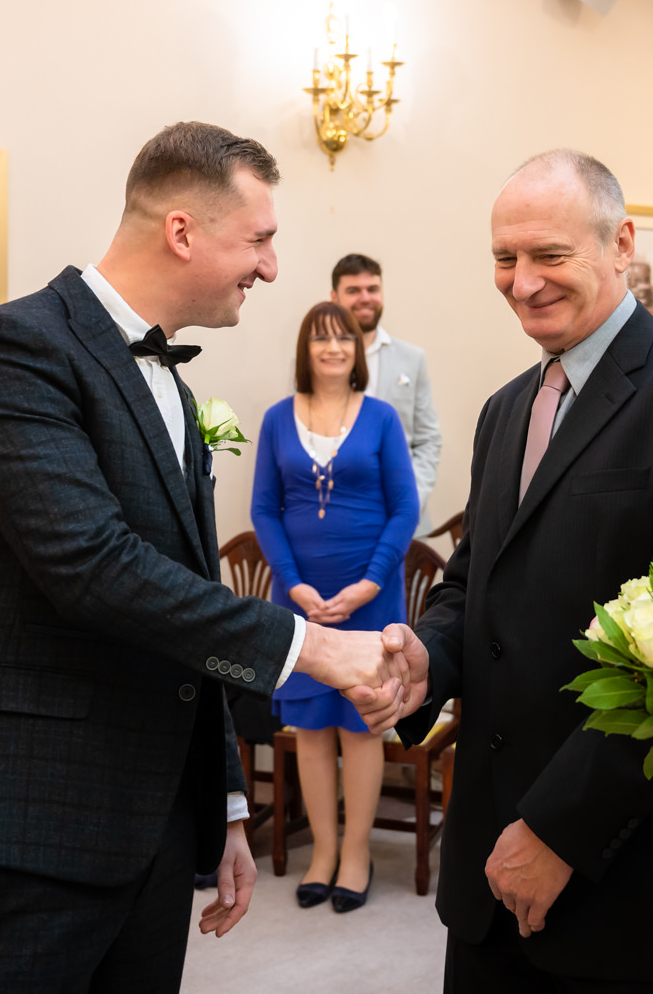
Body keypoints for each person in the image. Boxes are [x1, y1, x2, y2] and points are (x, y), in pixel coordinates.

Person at [0, 121, 409, 994]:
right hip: (26, 819)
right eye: (259, 239)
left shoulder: (170, 386)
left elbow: (185, 600)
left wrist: (221, 803)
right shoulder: (14, 351)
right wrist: (316, 647)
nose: (271, 268)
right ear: (183, 231)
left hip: (153, 825)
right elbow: (95, 569)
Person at [370, 149, 653, 993]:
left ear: (621, 242)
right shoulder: (505, 407)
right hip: (483, 850)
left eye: (549, 256)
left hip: (611, 861)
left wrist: (558, 831)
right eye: (504, 258)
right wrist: (427, 659)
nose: (522, 282)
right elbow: (473, 579)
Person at [250, 301, 420, 912]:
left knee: (362, 729)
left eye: (342, 338)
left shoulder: (379, 418)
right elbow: (264, 509)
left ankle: (356, 854)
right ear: (306, 350)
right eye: (320, 339)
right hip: (301, 603)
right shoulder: (276, 419)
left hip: (370, 601)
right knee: (312, 729)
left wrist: (371, 583)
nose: (332, 348)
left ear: (356, 350)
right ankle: (322, 851)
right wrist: (292, 585)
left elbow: (404, 508)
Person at [331, 252, 442, 533]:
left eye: (373, 289)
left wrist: (408, 503)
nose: (365, 298)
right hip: (336, 522)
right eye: (353, 290)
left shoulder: (412, 358)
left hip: (404, 525)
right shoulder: (314, 360)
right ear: (334, 298)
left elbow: (428, 439)